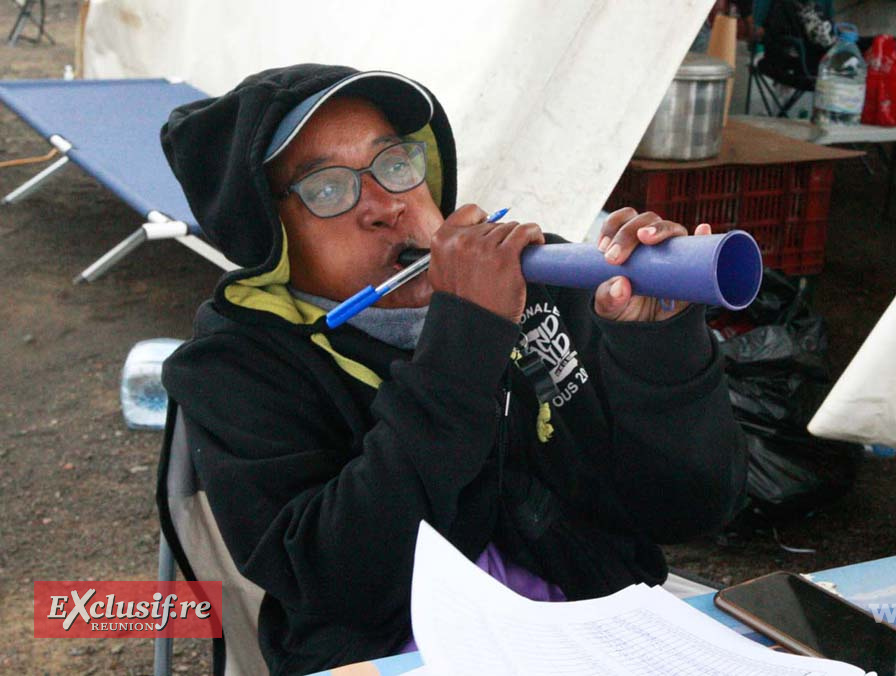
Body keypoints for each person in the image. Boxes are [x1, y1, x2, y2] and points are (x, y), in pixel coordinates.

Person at [158, 63, 747, 675]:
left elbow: (693, 508)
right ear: (270, 235)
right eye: (327, 190)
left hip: (596, 631)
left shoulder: (544, 282)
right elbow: (342, 584)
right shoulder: (233, 370)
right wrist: (464, 346)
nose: (388, 205)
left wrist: (658, 346)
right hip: (394, 656)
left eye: (394, 164)